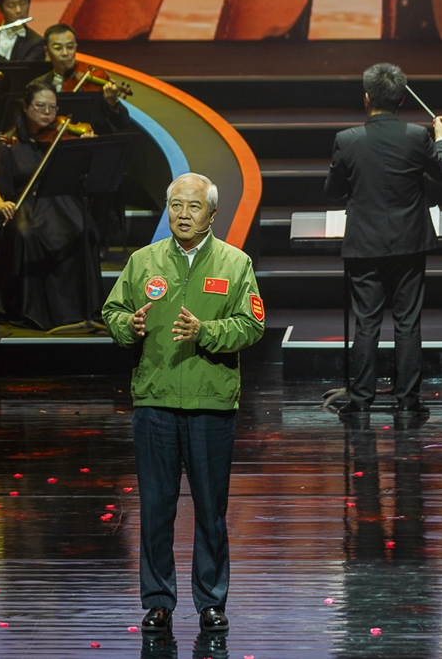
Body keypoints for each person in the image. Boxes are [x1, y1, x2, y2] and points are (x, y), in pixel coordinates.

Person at [102, 172, 265, 634]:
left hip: (211, 403)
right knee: (156, 508)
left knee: (211, 510)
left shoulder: (235, 263)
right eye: (176, 206)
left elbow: (252, 325)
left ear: (212, 214)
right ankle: (158, 601)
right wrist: (127, 326)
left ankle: (211, 601)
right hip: (154, 400)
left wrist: (205, 332)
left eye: (194, 207)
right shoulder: (143, 261)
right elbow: (112, 311)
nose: (184, 215)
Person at [324, 62, 442, 419]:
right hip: (410, 243)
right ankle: (408, 401)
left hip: (364, 245)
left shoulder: (347, 140)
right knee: (408, 322)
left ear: (367, 98)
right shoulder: (417, 136)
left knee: (366, 323)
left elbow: (333, 191)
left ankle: (361, 400)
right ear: (401, 100)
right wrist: (441, 138)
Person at [0, 79, 102, 330]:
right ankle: (32, 310)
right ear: (25, 107)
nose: (48, 113)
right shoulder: (9, 142)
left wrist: (85, 147)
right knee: (27, 235)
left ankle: (79, 309)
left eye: (53, 107)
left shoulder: (62, 137)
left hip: (59, 201)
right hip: (25, 204)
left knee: (86, 230)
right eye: (40, 106)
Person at [36, 23, 130, 136]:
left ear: (76, 47)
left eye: (70, 47)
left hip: (94, 142)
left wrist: (112, 102)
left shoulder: (95, 78)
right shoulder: (38, 85)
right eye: (58, 48)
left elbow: (122, 123)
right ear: (46, 51)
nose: (65, 53)